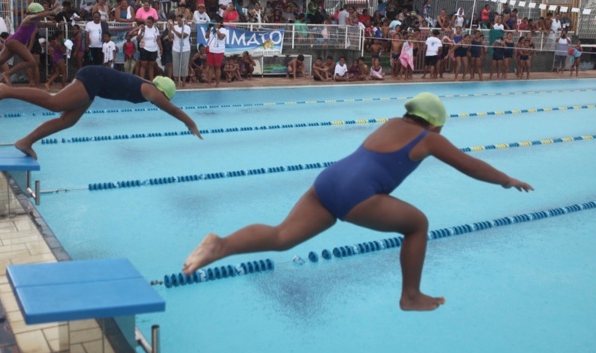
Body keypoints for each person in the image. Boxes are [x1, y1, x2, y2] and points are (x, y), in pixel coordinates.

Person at [183, 93, 533, 311]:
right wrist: (507, 179)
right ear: (435, 124)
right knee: (418, 224)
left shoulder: (392, 122)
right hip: (358, 193)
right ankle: (410, 295)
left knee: (281, 236)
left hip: (328, 181)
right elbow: (470, 165)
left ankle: (221, 244)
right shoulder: (429, 138)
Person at [0, 68, 202, 160]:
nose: (163, 101)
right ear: (163, 92)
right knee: (55, 103)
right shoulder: (150, 91)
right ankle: (5, 90)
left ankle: (26, 141)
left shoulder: (149, 88)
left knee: (67, 121)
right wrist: (190, 123)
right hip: (93, 78)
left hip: (95, 85)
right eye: (165, 97)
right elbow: (171, 109)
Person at [0, 3, 60, 88]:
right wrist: (52, 11)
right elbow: (37, 16)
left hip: (12, 42)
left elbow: (44, 24)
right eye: (40, 12)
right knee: (32, 61)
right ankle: (7, 74)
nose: (41, 14)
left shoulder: (35, 22)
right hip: (15, 42)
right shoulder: (29, 18)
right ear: (35, 12)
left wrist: (57, 24)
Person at [205, 17, 227, 87]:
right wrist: (209, 28)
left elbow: (221, 37)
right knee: (210, 66)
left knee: (217, 67)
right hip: (211, 50)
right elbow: (206, 36)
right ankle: (209, 82)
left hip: (219, 51)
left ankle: (217, 83)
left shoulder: (223, 30)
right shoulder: (211, 29)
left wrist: (217, 29)